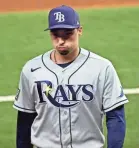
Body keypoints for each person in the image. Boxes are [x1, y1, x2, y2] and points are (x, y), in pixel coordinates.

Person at [13, 5, 129, 148]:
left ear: (79, 30)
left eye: (67, 33)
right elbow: (25, 121)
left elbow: (115, 118)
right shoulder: (31, 70)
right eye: (55, 34)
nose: (61, 41)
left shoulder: (102, 68)